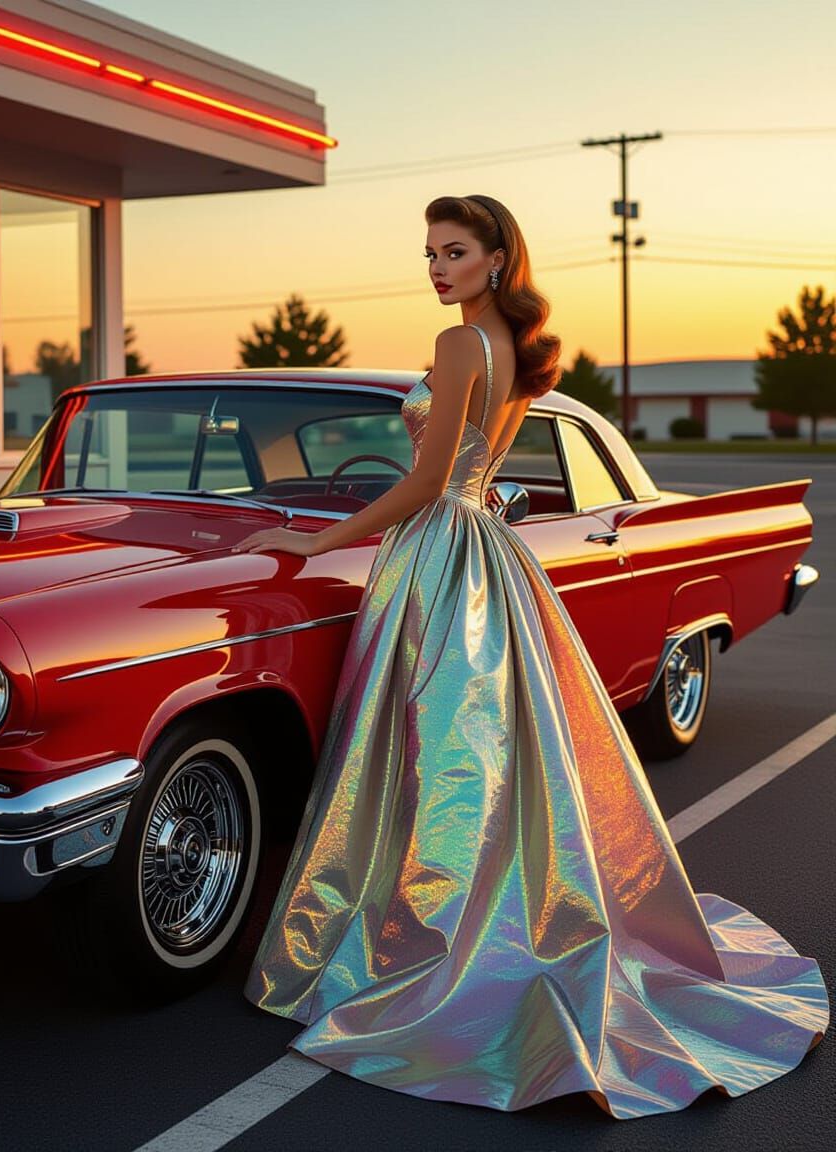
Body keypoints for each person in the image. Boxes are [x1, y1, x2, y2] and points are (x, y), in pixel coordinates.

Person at [234, 194, 828, 1119]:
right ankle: (484, 924)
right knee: (485, 758)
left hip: (439, 550)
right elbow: (473, 468)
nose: (435, 267)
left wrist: (324, 542)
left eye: (454, 251)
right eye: (428, 251)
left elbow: (429, 480)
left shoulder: (461, 346)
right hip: (484, 550)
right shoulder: (501, 346)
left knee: (432, 753)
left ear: (497, 257)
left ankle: (435, 946)